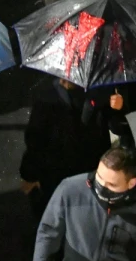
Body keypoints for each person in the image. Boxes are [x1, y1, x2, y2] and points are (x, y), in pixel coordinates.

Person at [19, 77, 112, 217]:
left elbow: (35, 139)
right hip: (63, 175)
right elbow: (35, 140)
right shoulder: (49, 98)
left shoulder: (96, 97)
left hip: (77, 175)